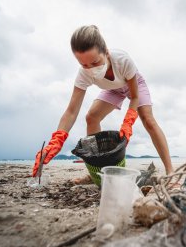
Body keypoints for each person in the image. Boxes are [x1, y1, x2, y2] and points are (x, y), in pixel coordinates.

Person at [32, 25, 173, 182]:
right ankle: (96, 172)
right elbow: (71, 111)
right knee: (92, 117)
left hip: (134, 87)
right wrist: (57, 140)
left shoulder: (122, 60)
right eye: (84, 65)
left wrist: (128, 121)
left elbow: (134, 97)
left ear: (106, 51)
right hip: (112, 90)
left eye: (95, 62)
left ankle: (171, 172)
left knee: (148, 120)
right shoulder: (83, 75)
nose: (90, 69)